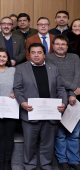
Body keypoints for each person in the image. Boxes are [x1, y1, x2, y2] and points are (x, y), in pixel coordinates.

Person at [13, 43, 67, 170]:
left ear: (44, 54)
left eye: (39, 52)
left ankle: (46, 165)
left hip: (51, 113)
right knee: (29, 144)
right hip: (30, 113)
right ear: (29, 54)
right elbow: (17, 88)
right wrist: (22, 102)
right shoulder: (21, 68)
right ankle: (29, 166)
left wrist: (64, 102)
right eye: (33, 52)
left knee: (48, 144)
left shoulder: (53, 68)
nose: (36, 55)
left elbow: (60, 88)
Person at [45, 35, 80, 170]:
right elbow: (57, 77)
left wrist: (72, 94)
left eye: (63, 44)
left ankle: (74, 160)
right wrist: (72, 92)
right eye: (58, 44)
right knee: (59, 134)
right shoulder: (48, 58)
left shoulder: (75, 57)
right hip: (57, 99)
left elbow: (78, 75)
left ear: (67, 46)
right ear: (53, 46)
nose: (60, 46)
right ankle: (62, 160)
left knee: (75, 133)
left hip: (75, 99)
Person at [0, 48, 16, 170]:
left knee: (9, 136)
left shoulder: (13, 71)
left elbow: (18, 86)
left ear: (8, 58)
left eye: (4, 56)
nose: (1, 58)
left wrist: (14, 93)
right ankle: (0, 163)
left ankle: (8, 163)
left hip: (11, 108)